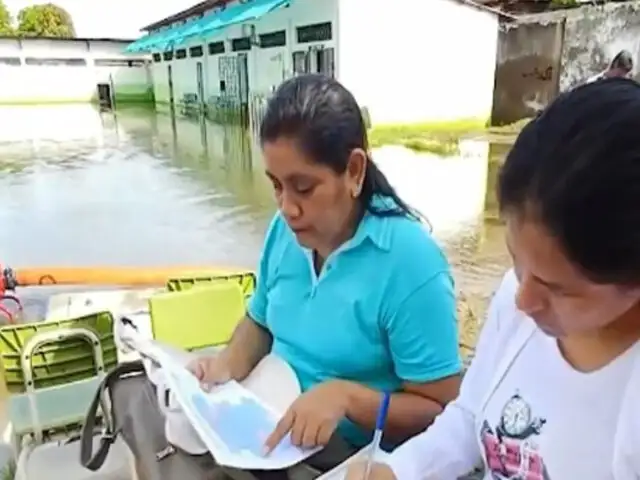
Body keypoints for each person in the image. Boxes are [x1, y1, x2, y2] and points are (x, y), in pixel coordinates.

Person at [346, 77, 640, 480]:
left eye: (558, 288)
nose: (523, 299)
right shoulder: (518, 302)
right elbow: (469, 418)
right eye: (517, 262)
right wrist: (398, 470)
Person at [185, 73, 463, 477]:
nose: (287, 208)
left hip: (345, 455)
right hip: (268, 422)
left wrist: (347, 399)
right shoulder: (284, 232)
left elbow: (443, 410)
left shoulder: (409, 264)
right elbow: (259, 321)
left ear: (353, 171)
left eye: (303, 187)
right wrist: (223, 366)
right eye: (276, 186)